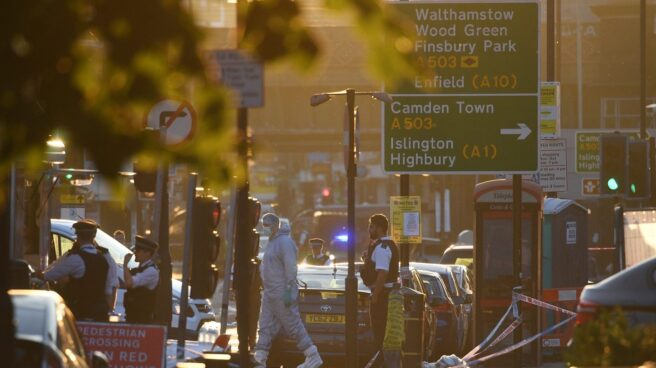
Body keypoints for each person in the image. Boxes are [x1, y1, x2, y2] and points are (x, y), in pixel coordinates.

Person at [254, 213, 323, 368]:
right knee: (264, 327)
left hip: (280, 292)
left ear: (275, 225)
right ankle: (260, 360)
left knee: (293, 324)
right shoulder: (273, 243)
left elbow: (291, 268)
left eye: (267, 225)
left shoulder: (285, 243)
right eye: (263, 225)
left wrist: (288, 290)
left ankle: (313, 356)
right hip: (270, 293)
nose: (265, 229)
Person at [37, 219, 113, 322]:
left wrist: (38, 275)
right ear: (93, 237)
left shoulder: (75, 258)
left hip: (80, 313)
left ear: (78, 237)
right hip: (100, 314)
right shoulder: (105, 257)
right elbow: (110, 287)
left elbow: (50, 275)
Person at [359, 214, 399, 367]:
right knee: (380, 333)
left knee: (380, 333)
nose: (369, 229)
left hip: (382, 296)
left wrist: (375, 296)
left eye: (371, 226)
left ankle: (381, 364)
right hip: (383, 295)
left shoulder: (383, 247)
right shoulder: (384, 245)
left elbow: (383, 273)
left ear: (379, 228)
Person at [122, 235, 160, 324]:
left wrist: (125, 265)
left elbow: (129, 283)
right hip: (132, 316)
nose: (135, 253)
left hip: (143, 319)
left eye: (138, 250)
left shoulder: (151, 271)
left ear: (147, 253)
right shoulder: (139, 269)